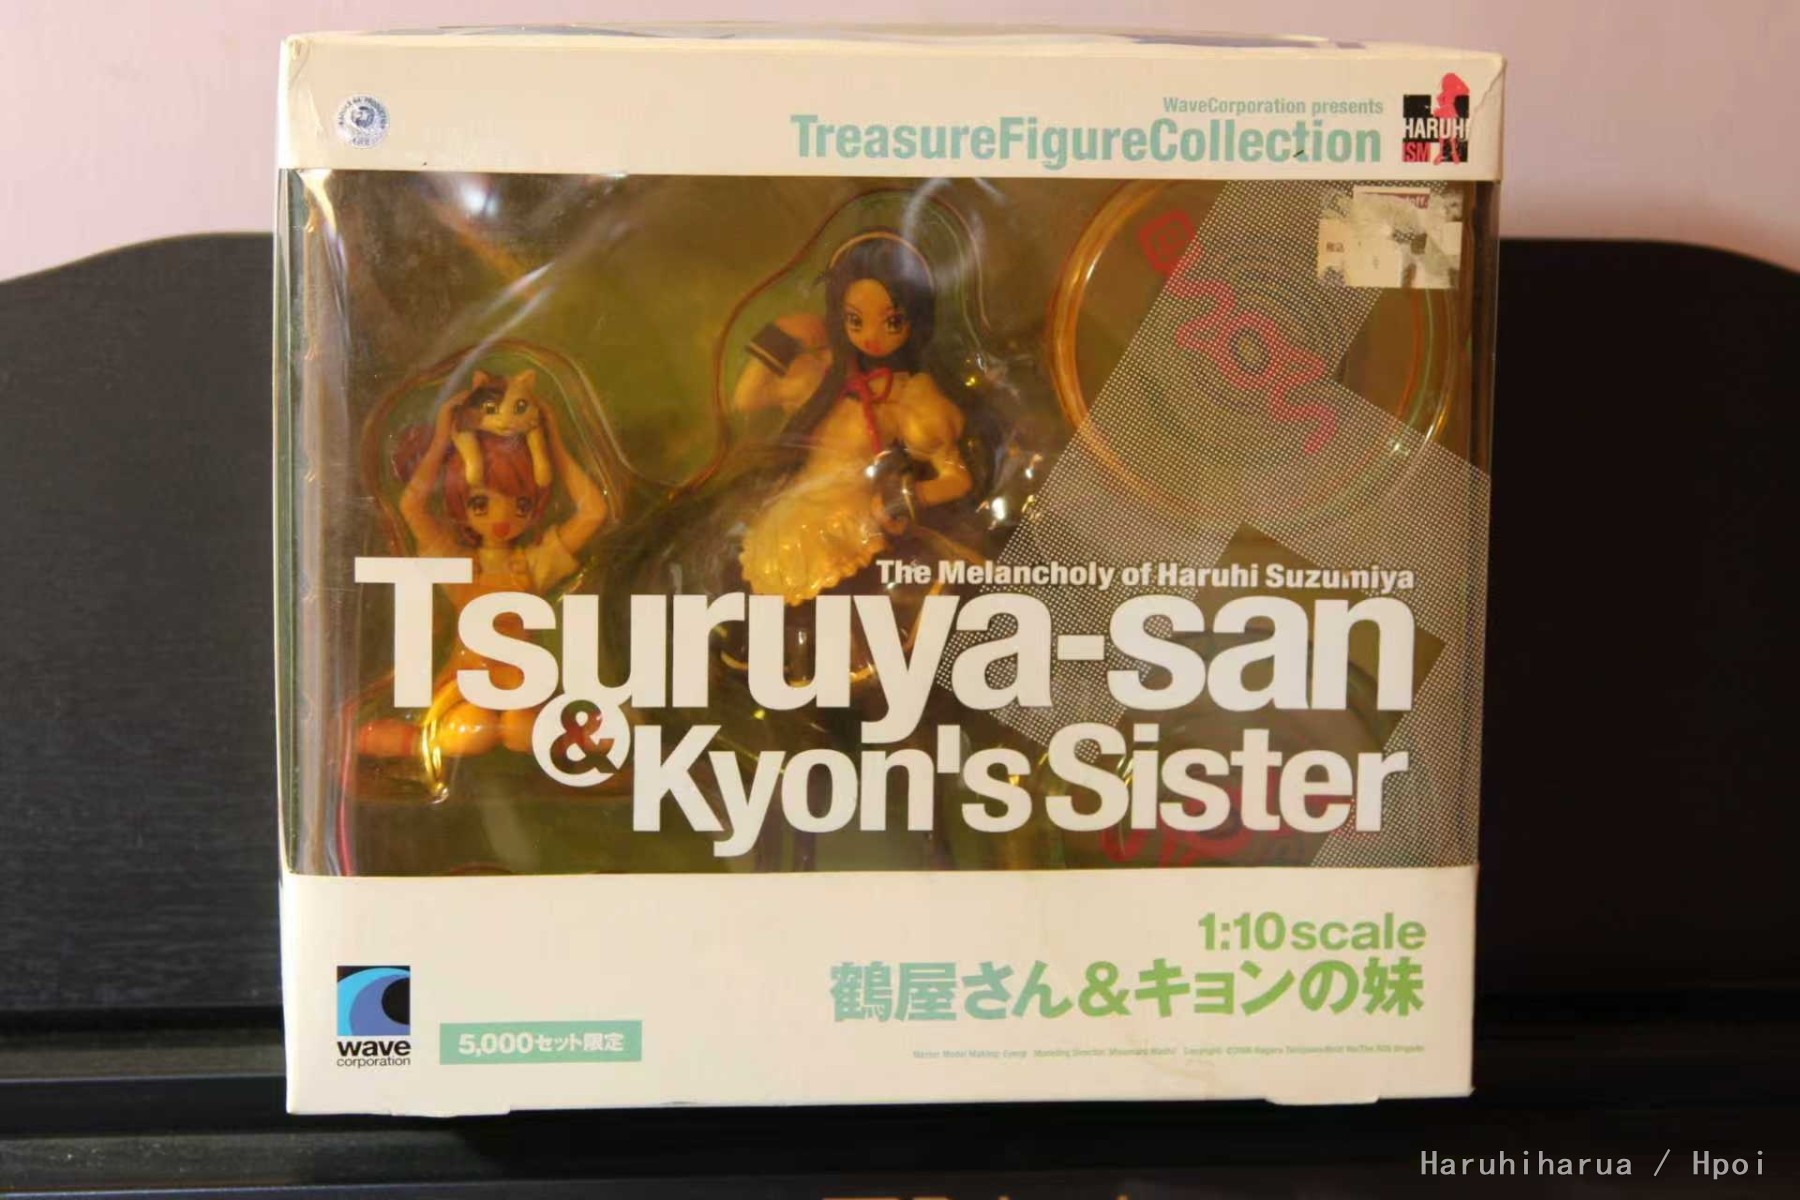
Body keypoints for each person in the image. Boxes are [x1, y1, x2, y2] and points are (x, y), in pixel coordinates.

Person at [357, 373, 611, 760]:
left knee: (521, 733)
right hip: (465, 686)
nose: (502, 519)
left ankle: (560, 741)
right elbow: (411, 507)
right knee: (472, 730)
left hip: (522, 687)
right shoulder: (460, 565)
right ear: (461, 505)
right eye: (481, 504)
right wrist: (441, 441)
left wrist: (554, 442)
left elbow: (593, 512)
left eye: (521, 505)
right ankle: (420, 743)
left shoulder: (531, 565)